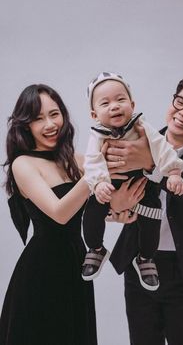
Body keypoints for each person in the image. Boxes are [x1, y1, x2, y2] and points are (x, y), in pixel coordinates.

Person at [107, 73, 183, 345]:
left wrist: (151, 165)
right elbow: (109, 189)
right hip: (139, 263)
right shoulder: (137, 141)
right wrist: (114, 207)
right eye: (180, 102)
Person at [0, 84, 104, 345]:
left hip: (76, 262)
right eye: (37, 118)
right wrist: (96, 170)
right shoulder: (22, 164)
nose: (49, 124)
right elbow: (60, 213)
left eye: (54, 114)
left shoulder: (76, 160)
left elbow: (105, 209)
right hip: (41, 270)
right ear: (25, 125)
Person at [82, 72, 183, 291]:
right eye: (105, 103)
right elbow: (92, 161)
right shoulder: (98, 135)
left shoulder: (141, 126)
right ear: (94, 114)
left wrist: (174, 172)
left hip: (144, 185)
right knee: (92, 211)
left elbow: (161, 147)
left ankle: (145, 258)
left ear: (132, 103)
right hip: (110, 187)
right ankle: (96, 248)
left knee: (151, 221)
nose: (114, 106)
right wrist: (99, 183)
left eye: (120, 100)